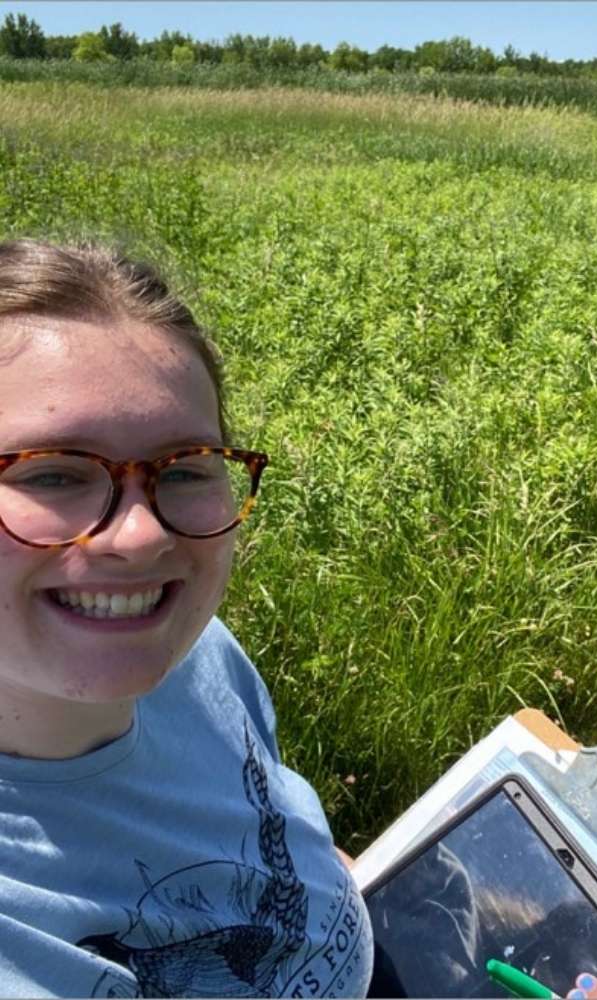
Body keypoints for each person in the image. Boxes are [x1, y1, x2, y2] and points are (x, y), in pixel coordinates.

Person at [0, 239, 373, 998]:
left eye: (186, 466)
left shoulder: (192, 655)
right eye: (54, 472)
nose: (143, 537)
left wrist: (333, 883)